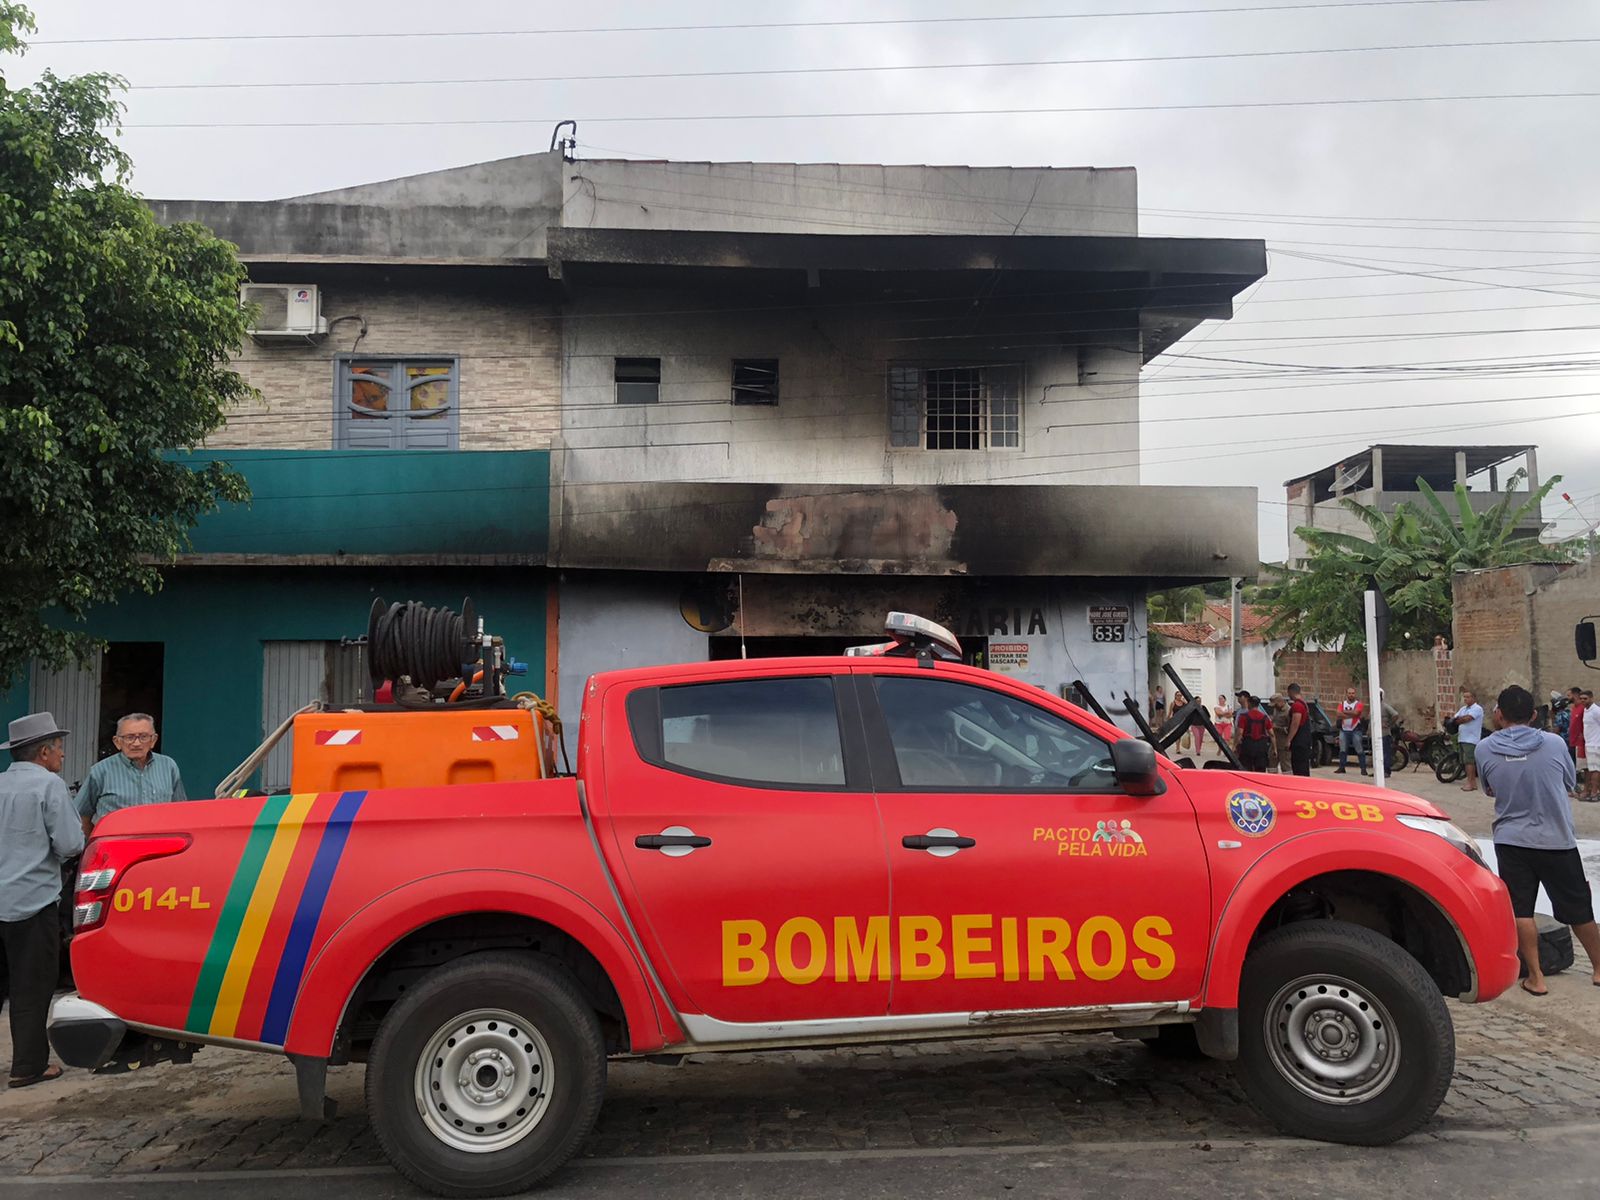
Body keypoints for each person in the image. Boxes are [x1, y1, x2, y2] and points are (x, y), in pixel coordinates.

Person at [1477, 685, 1600, 995]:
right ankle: (1599, 969)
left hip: (1512, 840)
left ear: (1499, 715)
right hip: (1557, 839)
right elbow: (1570, 781)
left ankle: (1536, 977)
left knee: (1521, 909)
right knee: (1579, 908)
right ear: (1534, 715)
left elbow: (1488, 788)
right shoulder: (1554, 744)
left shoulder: (1484, 748)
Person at [0, 713, 84, 1088]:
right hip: (31, 903)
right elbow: (70, 844)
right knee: (30, 987)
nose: (62, 755)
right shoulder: (49, 786)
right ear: (45, 751)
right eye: (60, 748)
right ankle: (28, 1066)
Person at [77, 713, 187, 836]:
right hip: (116, 849)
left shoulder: (168, 766)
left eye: (143, 737)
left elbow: (180, 811)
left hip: (160, 847)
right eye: (129, 737)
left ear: (153, 740)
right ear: (117, 742)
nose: (136, 743)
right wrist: (98, 842)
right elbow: (81, 816)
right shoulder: (100, 771)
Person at [1448, 689, 1485, 793]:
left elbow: (1466, 719)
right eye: (1464, 697)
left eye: (1468, 697)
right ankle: (1471, 782)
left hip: (1471, 739)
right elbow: (1454, 718)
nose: (1465, 699)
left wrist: (1456, 721)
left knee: (1469, 761)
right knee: (1465, 761)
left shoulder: (1477, 709)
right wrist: (1455, 720)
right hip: (1462, 737)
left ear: (1473, 698)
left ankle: (1471, 782)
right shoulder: (1463, 709)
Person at [1235, 695, 1274, 772]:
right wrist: (1274, 748)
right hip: (1261, 746)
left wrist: (1236, 746)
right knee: (1260, 769)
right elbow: (1272, 734)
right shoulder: (1265, 717)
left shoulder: (1243, 717)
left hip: (1248, 745)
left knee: (1246, 769)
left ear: (1249, 703)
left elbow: (1240, 733)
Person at [1335, 686, 1368, 776]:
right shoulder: (1342, 703)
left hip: (1355, 729)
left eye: (1353, 693)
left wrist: (1344, 712)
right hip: (1344, 729)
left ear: (1355, 694)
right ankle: (1342, 767)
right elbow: (1338, 714)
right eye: (1349, 693)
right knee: (1342, 749)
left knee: (1359, 749)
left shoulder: (1359, 704)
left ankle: (1363, 768)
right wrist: (1351, 714)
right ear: (1346, 694)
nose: (1351, 695)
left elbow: (1356, 713)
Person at [1285, 683, 1313, 776]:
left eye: (1288, 693)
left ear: (1291, 692)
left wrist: (1289, 740)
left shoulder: (1297, 705)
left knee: (1299, 767)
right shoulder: (1304, 704)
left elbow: (1295, 723)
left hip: (1299, 742)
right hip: (1304, 741)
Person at [1584, 690, 1600, 803]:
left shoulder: (1596, 711)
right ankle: (1591, 792)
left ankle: (1594, 793)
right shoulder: (1586, 710)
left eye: (1585, 698)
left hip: (1596, 745)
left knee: (1596, 770)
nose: (1583, 701)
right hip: (1588, 744)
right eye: (1581, 699)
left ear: (1591, 698)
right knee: (1591, 770)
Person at [1269, 694, 1291, 773]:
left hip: (1283, 743)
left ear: (1281, 701)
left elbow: (1290, 729)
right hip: (1274, 743)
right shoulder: (1276, 710)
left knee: (1286, 766)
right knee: (1271, 765)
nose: (1274, 707)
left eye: (1275, 704)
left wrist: (1277, 728)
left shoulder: (1288, 711)